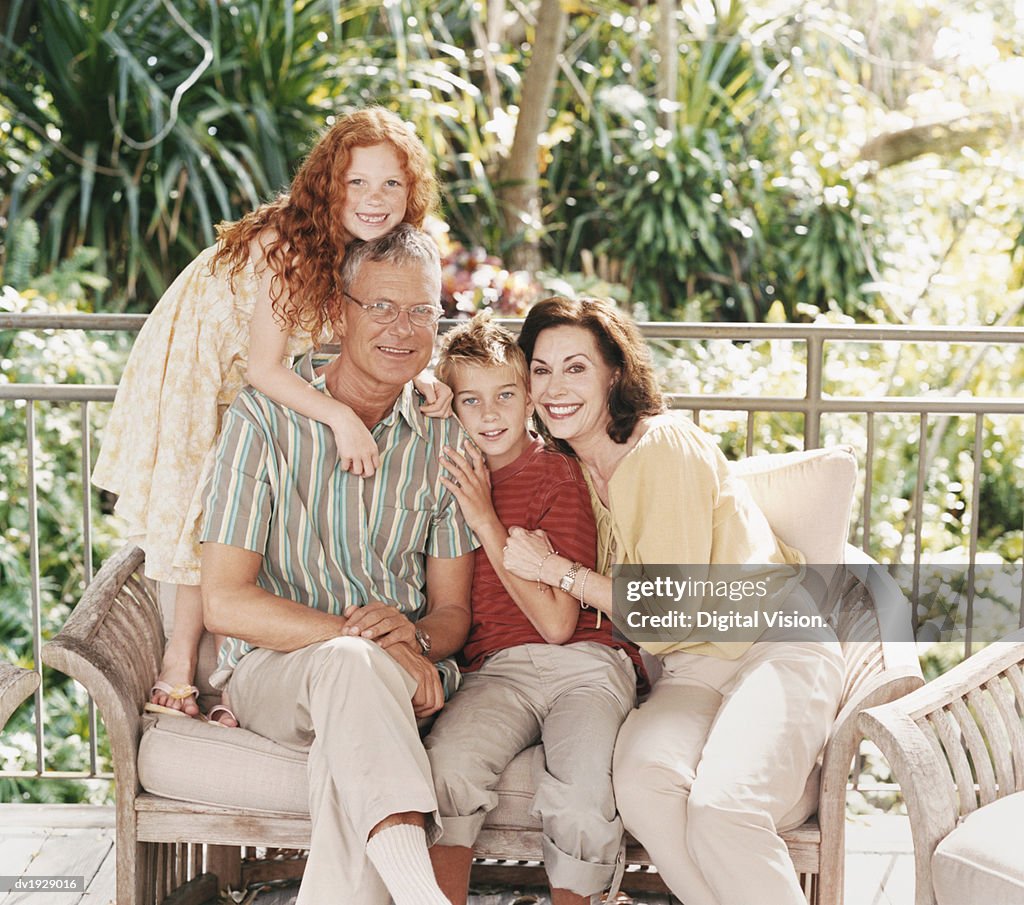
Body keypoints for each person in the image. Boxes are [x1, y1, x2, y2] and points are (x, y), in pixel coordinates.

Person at [92, 107, 450, 725]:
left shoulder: (368, 245)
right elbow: (265, 367)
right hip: (208, 354)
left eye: (391, 183)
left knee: (229, 500)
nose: (374, 198)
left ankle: (231, 677)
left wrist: (419, 372)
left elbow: (369, 322)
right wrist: (340, 418)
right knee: (203, 505)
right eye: (357, 182)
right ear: (329, 184)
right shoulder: (289, 244)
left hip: (256, 362)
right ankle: (180, 673)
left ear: (411, 189)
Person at [504, 296, 846, 905]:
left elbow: (669, 612)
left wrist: (558, 571)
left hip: (772, 646)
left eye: (576, 367)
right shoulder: (573, 471)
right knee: (641, 785)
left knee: (723, 809)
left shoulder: (662, 446)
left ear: (614, 372)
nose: (556, 386)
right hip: (690, 670)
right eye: (540, 368)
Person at [199, 224, 474, 905]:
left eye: (421, 312)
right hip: (273, 671)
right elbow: (225, 603)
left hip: (398, 682)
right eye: (381, 306)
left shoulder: (444, 436)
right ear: (337, 311)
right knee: (351, 666)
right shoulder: (264, 420)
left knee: (343, 750)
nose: (402, 329)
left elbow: (451, 612)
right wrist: (368, 641)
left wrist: (414, 641)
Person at [422, 314, 643, 905]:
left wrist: (486, 522)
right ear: (453, 406)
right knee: (447, 767)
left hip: (586, 664)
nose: (490, 415)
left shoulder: (556, 473)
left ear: (528, 399)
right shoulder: (444, 473)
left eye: (506, 396)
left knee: (580, 794)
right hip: (494, 669)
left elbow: (556, 623)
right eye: (470, 400)